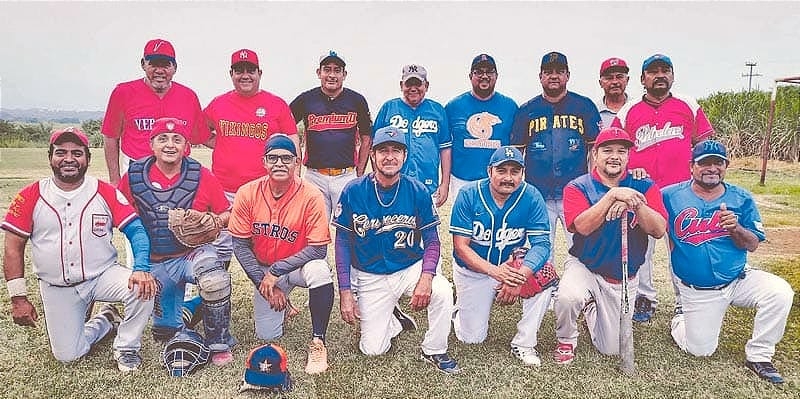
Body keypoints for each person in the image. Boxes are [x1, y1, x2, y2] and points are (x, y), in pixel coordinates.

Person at [2, 128, 156, 372]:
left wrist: (141, 268)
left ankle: (126, 347)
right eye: (61, 152)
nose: (69, 159)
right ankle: (105, 320)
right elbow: (13, 247)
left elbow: (136, 231)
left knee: (142, 286)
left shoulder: (104, 191)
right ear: (50, 157)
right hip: (57, 285)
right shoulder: (30, 195)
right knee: (69, 356)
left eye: (77, 153)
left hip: (102, 276)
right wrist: (18, 298)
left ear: (87, 158)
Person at [664, 140, 794, 384]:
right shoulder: (670, 195)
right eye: (704, 163)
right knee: (700, 350)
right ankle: (681, 318)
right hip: (699, 289)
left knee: (780, 292)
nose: (712, 168)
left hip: (738, 278)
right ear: (691, 166)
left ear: (726, 166)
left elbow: (753, 244)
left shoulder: (741, 198)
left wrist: (735, 228)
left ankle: (759, 355)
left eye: (718, 163)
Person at [333, 126, 460, 374]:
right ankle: (393, 318)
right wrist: (346, 292)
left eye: (396, 151)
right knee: (372, 349)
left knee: (443, 290)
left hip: (408, 268)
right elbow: (342, 244)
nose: (389, 156)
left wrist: (426, 277)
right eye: (383, 151)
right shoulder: (354, 190)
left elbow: (433, 241)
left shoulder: (417, 190)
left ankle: (434, 349)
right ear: (372, 155)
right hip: (370, 275)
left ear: (404, 156)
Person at [117, 118, 235, 366]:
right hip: (155, 262)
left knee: (214, 280)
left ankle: (218, 341)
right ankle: (190, 309)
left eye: (177, 139)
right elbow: (118, 214)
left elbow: (227, 212)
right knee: (165, 333)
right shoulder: (133, 176)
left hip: (190, 255)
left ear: (186, 146)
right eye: (163, 138)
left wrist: (213, 221)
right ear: (152, 144)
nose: (170, 145)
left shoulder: (201, 175)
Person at [612, 54, 715, 322]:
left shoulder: (687, 104)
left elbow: (704, 144)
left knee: (681, 245)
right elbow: (615, 147)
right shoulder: (629, 110)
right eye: (653, 71)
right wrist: (626, 173)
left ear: (672, 75)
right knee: (641, 246)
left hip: (681, 189)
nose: (660, 75)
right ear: (643, 78)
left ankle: (684, 300)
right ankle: (644, 298)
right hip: (643, 191)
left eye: (665, 70)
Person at [553, 127, 667, 365]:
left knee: (611, 349)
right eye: (607, 150)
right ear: (595, 154)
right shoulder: (578, 186)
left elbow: (658, 230)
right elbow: (582, 227)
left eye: (621, 151)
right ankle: (566, 339)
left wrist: (634, 202)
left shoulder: (644, 184)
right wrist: (612, 196)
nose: (614, 156)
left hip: (623, 275)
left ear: (628, 156)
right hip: (586, 265)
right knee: (567, 297)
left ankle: (592, 308)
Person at [228, 134, 335, 375]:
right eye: (273, 158)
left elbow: (318, 249)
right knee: (267, 334)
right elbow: (240, 245)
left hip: (297, 266)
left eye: (286, 158)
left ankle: (318, 341)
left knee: (319, 270)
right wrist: (264, 281)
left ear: (297, 162)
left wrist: (277, 271)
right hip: (264, 269)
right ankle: (285, 306)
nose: (279, 163)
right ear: (264, 162)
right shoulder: (247, 193)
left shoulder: (311, 194)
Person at [450, 146, 552, 366]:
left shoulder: (531, 195)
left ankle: (524, 343)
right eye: (501, 170)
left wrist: (519, 276)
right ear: (489, 171)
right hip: (474, 271)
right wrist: (496, 272)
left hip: (510, 266)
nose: (508, 177)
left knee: (546, 275)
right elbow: (461, 247)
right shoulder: (469, 194)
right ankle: (458, 312)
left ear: (522, 174)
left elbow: (542, 245)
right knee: (472, 339)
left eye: (514, 171)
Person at [204, 49, 300, 273]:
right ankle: (215, 299)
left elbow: (293, 139)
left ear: (260, 73)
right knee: (220, 246)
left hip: (265, 192)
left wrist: (293, 178)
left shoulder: (275, 104)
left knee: (268, 244)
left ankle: (272, 292)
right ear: (231, 73)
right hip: (224, 190)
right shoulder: (218, 104)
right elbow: (199, 133)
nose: (245, 75)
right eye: (239, 70)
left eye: (250, 70)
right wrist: (222, 144)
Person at [510, 51, 602, 265]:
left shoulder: (584, 106)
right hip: (538, 194)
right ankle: (545, 295)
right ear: (540, 76)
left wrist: (595, 187)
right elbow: (517, 156)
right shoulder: (526, 110)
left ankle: (581, 294)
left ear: (568, 75)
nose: (554, 76)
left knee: (581, 249)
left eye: (559, 72)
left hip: (576, 192)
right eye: (548, 72)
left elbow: (596, 152)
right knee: (541, 251)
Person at [102, 38, 211, 187]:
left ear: (175, 67)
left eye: (165, 65)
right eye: (153, 64)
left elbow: (201, 136)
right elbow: (110, 136)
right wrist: (115, 180)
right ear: (143, 64)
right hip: (137, 172)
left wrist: (238, 140)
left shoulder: (188, 96)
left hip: (179, 175)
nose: (159, 71)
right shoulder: (123, 92)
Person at [290, 50, 373, 219]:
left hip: (346, 175)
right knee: (314, 231)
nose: (332, 75)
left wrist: (359, 173)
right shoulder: (306, 99)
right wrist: (295, 167)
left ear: (344, 74)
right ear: (319, 73)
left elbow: (367, 138)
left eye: (337, 70)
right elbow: (285, 126)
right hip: (315, 176)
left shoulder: (356, 100)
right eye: (327, 69)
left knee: (352, 229)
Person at [373, 64, 452, 207]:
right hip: (392, 185)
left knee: (426, 228)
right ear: (401, 85)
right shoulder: (389, 108)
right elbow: (375, 148)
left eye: (418, 84)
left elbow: (445, 148)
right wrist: (377, 180)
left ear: (426, 86)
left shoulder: (437, 110)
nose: (413, 88)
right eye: (409, 84)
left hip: (428, 185)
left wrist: (445, 184)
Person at [445, 54, 518, 201]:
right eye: (479, 72)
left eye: (489, 72)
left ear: (496, 76)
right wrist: (445, 183)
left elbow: (518, 148)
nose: (484, 76)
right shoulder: (453, 107)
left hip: (498, 181)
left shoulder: (510, 107)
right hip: (461, 180)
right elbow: (444, 146)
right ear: (470, 76)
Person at [596, 57, 630, 129]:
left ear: (627, 80)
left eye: (619, 77)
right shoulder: (593, 112)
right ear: (600, 83)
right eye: (609, 78)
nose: (615, 82)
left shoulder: (637, 108)